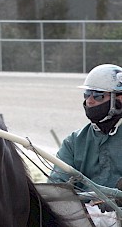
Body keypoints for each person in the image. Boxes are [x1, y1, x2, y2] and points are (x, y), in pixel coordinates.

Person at [49, 64, 122, 225]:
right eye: (87, 94)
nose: (89, 101)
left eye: (98, 96)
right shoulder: (74, 142)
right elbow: (56, 187)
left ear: (119, 99)